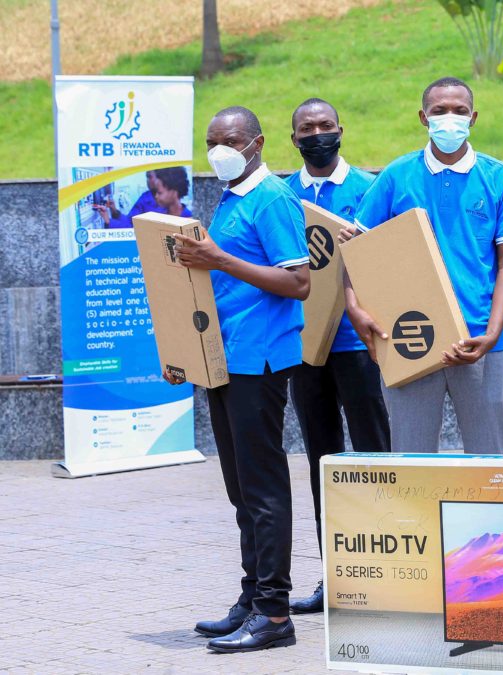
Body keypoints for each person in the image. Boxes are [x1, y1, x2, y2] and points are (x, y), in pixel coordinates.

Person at [167, 106, 310, 653]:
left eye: (229, 140)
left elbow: (298, 282)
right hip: (224, 360)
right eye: (211, 140)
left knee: (263, 487)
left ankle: (275, 614)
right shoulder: (231, 198)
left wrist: (219, 257)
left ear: (256, 143)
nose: (219, 149)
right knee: (240, 489)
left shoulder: (272, 198)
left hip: (260, 361)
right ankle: (252, 598)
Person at [343, 77, 503, 454]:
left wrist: (493, 334)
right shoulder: (396, 176)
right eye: (439, 110)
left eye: (459, 111)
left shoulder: (500, 179)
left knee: (491, 461)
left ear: (473, 118)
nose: (449, 119)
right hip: (409, 337)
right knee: (411, 459)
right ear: (423, 118)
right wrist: (353, 306)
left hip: (480, 340)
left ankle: (491, 517)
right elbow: (357, 249)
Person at [284, 98, 391, 615]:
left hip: (360, 344)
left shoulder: (370, 189)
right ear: (294, 139)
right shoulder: (282, 196)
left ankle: (388, 573)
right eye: (307, 128)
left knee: (375, 455)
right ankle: (336, 576)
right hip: (305, 348)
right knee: (322, 461)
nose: (317, 133)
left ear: (341, 131)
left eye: (325, 125)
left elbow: (395, 259)